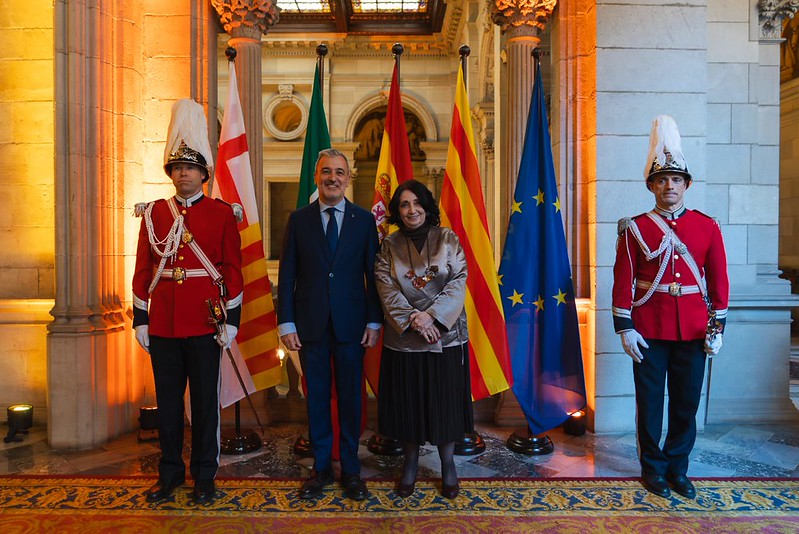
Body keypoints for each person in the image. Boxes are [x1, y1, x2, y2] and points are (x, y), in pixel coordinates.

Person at [612, 115, 729, 500]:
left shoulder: (707, 226)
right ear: (651, 186)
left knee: (686, 404)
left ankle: (678, 468)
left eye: (676, 180)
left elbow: (718, 280)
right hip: (648, 328)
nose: (669, 187)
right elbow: (623, 278)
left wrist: (718, 329)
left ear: (687, 185)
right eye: (661, 180)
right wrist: (625, 326)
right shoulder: (635, 227)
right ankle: (653, 469)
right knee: (650, 406)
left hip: (694, 329)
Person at [132, 99, 243, 505]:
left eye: (191, 167)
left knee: (205, 405)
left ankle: (204, 476)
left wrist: (231, 320)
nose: (183, 173)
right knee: (168, 407)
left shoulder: (222, 214)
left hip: (204, 322)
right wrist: (140, 318)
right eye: (177, 167)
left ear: (203, 173)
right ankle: (170, 473)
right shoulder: (154, 215)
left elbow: (232, 269)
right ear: (172, 173)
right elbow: (144, 269)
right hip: (162, 324)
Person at [277, 148, 382, 501]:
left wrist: (373, 320)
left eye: (339, 172)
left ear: (348, 178)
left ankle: (351, 470)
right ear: (316, 177)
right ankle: (321, 468)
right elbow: (288, 273)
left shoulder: (364, 221)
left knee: (352, 400)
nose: (332, 178)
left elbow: (372, 276)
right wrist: (286, 323)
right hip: (310, 327)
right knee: (317, 400)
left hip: (352, 327)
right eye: (326, 172)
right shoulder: (299, 219)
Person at [374, 179, 472, 500]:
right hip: (405, 341)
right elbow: (385, 287)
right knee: (409, 405)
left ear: (427, 207)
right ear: (397, 211)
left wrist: (432, 316)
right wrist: (415, 319)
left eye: (417, 203)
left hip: (445, 337)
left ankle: (447, 465)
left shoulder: (448, 239)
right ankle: (411, 464)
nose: (411, 210)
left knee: (443, 405)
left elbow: (458, 279)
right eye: (404, 204)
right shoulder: (388, 246)